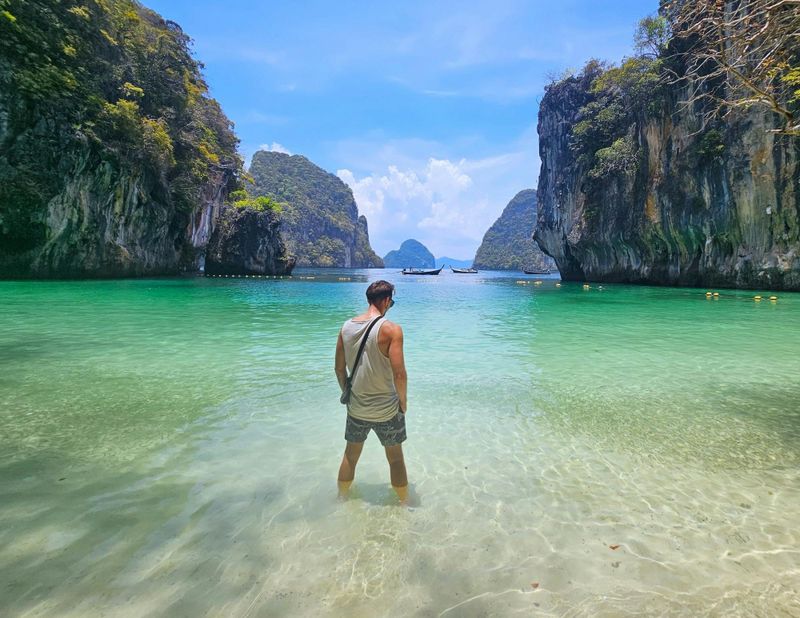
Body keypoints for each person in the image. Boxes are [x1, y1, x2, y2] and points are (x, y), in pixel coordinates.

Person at [335, 280, 408, 502]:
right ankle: (404, 505)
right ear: (386, 300)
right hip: (387, 409)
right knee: (395, 459)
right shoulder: (391, 330)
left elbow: (339, 369)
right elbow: (399, 375)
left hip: (357, 408)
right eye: (391, 302)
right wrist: (403, 403)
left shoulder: (346, 327)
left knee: (351, 455)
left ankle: (342, 499)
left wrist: (349, 394)